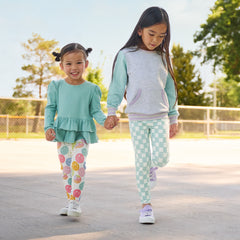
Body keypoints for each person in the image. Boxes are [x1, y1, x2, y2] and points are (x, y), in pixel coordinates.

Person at [105, 7, 179, 224]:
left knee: (163, 157)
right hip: (137, 116)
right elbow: (118, 86)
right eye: (151, 34)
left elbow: (170, 90)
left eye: (161, 36)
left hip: (160, 116)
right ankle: (146, 206)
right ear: (140, 30)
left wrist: (174, 117)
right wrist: (111, 111)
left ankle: (151, 168)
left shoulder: (163, 57)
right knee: (141, 160)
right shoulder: (126, 55)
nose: (155, 40)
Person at [44, 43, 113, 217]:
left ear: (86, 64)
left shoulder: (92, 89)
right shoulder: (56, 86)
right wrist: (48, 127)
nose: (74, 68)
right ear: (61, 66)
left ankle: (75, 202)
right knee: (66, 169)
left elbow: (96, 111)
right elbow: (50, 108)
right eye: (68, 63)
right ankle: (69, 202)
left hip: (83, 132)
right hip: (62, 132)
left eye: (78, 63)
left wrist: (105, 122)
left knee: (78, 164)